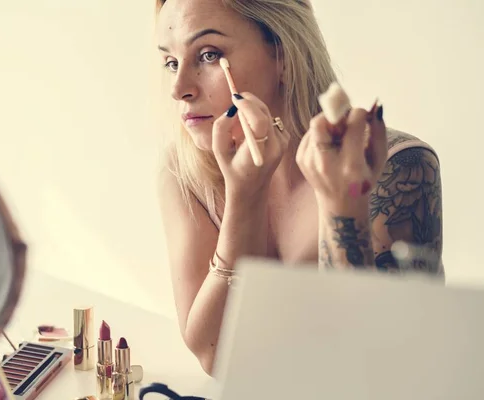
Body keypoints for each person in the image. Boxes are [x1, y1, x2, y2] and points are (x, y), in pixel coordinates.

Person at [155, 0, 444, 376]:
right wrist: (244, 197)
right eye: (171, 62)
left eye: (209, 55)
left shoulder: (398, 169)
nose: (179, 89)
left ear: (284, 55)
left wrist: (344, 210)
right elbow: (217, 359)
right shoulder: (185, 172)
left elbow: (385, 371)